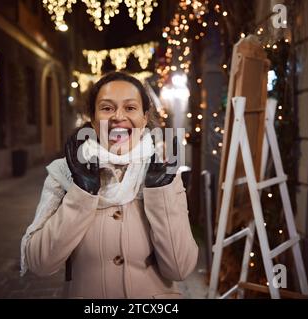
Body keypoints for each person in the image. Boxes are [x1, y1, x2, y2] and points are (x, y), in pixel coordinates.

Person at [20, 71, 198, 299]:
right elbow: (40, 263)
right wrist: (81, 193)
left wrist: (160, 192)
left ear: (145, 118)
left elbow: (180, 268)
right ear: (93, 121)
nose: (118, 116)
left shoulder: (164, 174)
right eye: (107, 108)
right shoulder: (66, 172)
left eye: (130, 108)